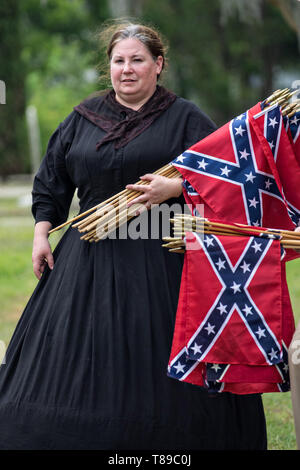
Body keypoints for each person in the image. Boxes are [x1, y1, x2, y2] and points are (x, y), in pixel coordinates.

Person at [0, 21, 267, 450]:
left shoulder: (186, 119)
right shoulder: (83, 117)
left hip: (164, 259)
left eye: (137, 60)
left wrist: (176, 188)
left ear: (158, 65)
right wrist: (41, 234)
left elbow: (231, 177)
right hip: (86, 258)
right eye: (118, 60)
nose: (127, 69)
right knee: (79, 357)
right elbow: (51, 181)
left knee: (151, 358)